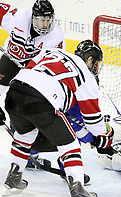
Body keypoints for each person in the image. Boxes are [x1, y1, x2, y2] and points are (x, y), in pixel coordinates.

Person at [2, 40, 113, 197]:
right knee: (70, 144)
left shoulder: (52, 52)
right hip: (41, 101)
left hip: (14, 92)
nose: (96, 68)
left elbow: (30, 68)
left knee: (24, 136)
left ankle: (13, 179)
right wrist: (105, 136)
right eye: (96, 63)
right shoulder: (86, 76)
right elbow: (93, 121)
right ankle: (78, 190)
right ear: (90, 60)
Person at [0, 0, 66, 169]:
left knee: (24, 110)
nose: (45, 24)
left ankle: (29, 153)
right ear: (33, 18)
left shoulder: (56, 37)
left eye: (48, 19)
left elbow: (56, 65)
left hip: (31, 73)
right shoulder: (17, 17)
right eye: (41, 20)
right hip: (11, 61)